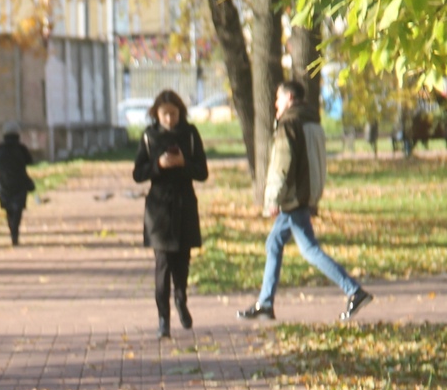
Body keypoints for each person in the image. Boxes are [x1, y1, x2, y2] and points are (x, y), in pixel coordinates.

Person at [238, 81, 371, 323]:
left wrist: (273, 198)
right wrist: (314, 195)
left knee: (309, 250)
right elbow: (316, 161)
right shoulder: (313, 121)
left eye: (278, 99)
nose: (275, 104)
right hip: (306, 194)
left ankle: (354, 290)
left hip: (293, 198)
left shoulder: (289, 123)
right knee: (275, 243)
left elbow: (282, 164)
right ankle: (266, 302)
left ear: (289, 98)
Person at [132, 89, 209, 338]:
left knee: (182, 263)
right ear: (156, 113)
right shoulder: (149, 136)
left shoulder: (190, 134)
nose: (169, 119)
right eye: (165, 114)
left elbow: (202, 171)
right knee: (162, 264)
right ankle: (163, 319)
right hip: (159, 210)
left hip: (185, 204)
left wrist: (184, 164)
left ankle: (181, 299)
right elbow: (138, 173)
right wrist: (158, 165)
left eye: (173, 114)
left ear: (180, 112)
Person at [0, 120, 34, 246]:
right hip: (20, 183)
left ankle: (12, 230)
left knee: (8, 210)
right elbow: (30, 161)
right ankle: (15, 233)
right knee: (18, 210)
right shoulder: (21, 149)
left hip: (4, 184)